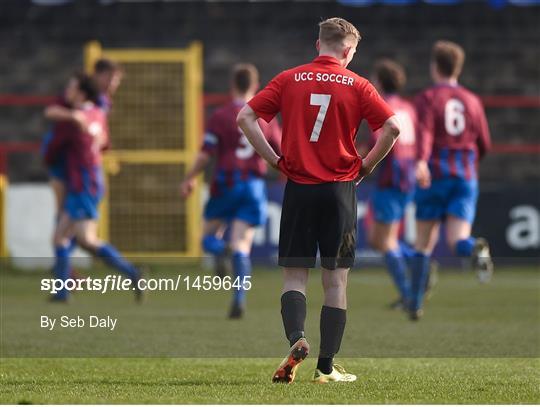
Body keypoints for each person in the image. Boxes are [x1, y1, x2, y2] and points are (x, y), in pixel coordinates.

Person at [237, 17, 400, 383]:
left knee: (294, 276)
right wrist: (366, 168)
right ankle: (325, 369)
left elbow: (246, 117)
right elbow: (392, 128)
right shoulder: (358, 84)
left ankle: (297, 338)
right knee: (336, 282)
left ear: (317, 45)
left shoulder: (288, 78)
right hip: (340, 190)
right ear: (347, 51)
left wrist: (272, 159)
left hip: (297, 186)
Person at [180, 64, 281, 319]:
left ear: (232, 85)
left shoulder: (221, 115)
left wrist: (190, 177)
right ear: (255, 86)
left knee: (205, 237)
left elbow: (206, 153)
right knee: (242, 246)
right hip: (255, 186)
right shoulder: (266, 117)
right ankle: (239, 297)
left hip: (226, 183)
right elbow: (282, 149)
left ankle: (219, 250)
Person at [410, 40, 493, 321]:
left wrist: (421, 161)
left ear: (435, 66)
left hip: (434, 175)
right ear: (458, 67)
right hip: (465, 176)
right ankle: (475, 248)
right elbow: (484, 143)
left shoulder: (427, 98)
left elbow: (425, 133)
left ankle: (415, 302)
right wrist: (468, 165)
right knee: (458, 240)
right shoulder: (472, 100)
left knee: (423, 243)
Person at [44, 72, 141, 302]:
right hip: (90, 180)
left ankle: (133, 274)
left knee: (86, 239)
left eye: (71, 87)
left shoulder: (79, 116)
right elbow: (105, 142)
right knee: (60, 237)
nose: (67, 90)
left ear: (81, 92)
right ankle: (62, 292)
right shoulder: (97, 112)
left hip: (83, 182)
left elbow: (53, 117)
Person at [363, 59, 419, 310]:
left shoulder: (384, 106)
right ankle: (418, 262)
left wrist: (362, 157)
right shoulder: (408, 107)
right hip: (407, 176)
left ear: (379, 81)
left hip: (390, 176)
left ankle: (409, 294)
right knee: (379, 238)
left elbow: (381, 138)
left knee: (384, 241)